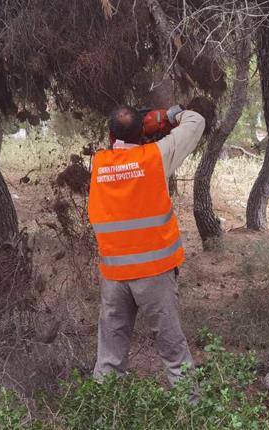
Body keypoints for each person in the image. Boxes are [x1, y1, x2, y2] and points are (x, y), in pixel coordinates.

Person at [87, 104, 205, 385]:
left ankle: (102, 416)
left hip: (114, 276)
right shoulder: (156, 156)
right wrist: (169, 115)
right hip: (154, 273)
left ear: (109, 133)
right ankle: (192, 417)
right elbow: (196, 121)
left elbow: (121, 151)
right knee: (174, 355)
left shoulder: (98, 163)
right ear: (144, 131)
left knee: (109, 360)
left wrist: (138, 130)